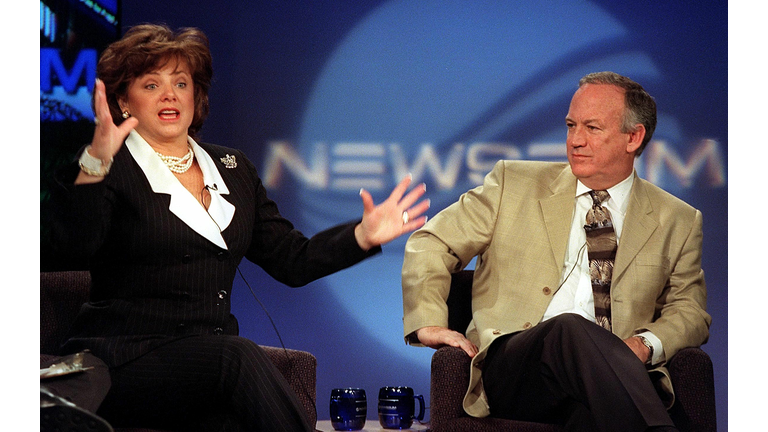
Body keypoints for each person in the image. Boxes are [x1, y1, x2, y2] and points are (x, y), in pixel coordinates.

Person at [48, 24, 429, 432]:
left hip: (203, 365)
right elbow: (72, 245)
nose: (170, 94)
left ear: (197, 96)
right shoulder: (109, 166)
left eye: (181, 82)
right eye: (151, 84)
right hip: (124, 360)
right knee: (238, 358)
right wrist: (95, 161)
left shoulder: (232, 168)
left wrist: (361, 236)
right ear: (123, 100)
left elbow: (291, 260)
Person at [401, 72, 710, 432]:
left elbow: (690, 310)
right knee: (568, 329)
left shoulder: (678, 220)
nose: (575, 140)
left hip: (614, 382)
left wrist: (643, 345)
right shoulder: (512, 184)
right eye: (570, 125)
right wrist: (428, 323)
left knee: (593, 415)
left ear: (634, 137)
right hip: (519, 369)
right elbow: (432, 241)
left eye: (592, 128)